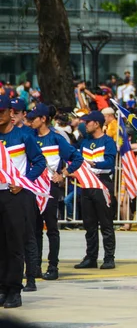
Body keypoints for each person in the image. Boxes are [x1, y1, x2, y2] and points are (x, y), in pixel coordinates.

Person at [28, 104, 84, 281]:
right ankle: (34, 265)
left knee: (51, 229)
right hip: (32, 187)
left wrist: (64, 174)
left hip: (50, 188)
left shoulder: (56, 138)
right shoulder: (29, 137)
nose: (30, 122)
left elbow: (77, 157)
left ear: (43, 119)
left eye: (33, 118)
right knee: (34, 228)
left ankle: (53, 266)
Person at [0, 94, 46, 308]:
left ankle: (14, 290)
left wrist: (24, 182)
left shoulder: (23, 136)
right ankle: (2, 288)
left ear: (11, 113)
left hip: (16, 195)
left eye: (1, 112)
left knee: (15, 244)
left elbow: (39, 162)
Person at [74, 111, 117, 270]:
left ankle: (109, 257)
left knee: (106, 223)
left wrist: (94, 165)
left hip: (102, 183)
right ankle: (91, 257)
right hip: (86, 184)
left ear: (97, 124)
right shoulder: (84, 142)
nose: (86, 125)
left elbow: (110, 163)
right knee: (89, 224)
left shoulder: (108, 141)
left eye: (88, 122)